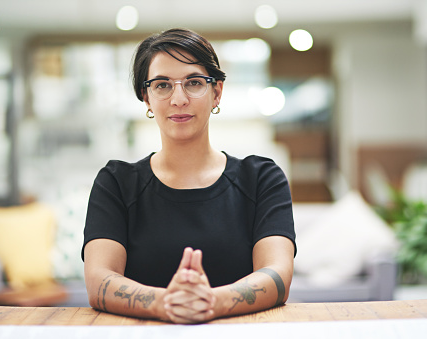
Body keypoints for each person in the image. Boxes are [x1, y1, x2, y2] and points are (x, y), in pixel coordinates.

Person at [82, 28, 296, 324]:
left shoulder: (261, 179)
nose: (179, 99)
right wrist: (163, 304)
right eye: (162, 85)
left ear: (216, 91)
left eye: (194, 82)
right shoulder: (116, 183)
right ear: (146, 97)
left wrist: (211, 303)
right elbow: (98, 280)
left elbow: (278, 275)